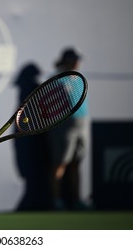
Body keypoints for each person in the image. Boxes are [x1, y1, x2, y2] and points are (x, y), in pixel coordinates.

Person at [47, 47, 91, 210]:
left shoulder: (79, 79)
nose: (78, 62)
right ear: (67, 60)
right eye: (75, 59)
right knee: (61, 163)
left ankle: (78, 200)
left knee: (76, 163)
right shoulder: (56, 79)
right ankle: (56, 201)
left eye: (78, 59)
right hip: (62, 127)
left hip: (83, 124)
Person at [13, 63, 50, 210]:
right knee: (32, 176)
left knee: (36, 178)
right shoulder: (33, 89)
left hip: (33, 141)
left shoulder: (34, 89)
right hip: (27, 142)